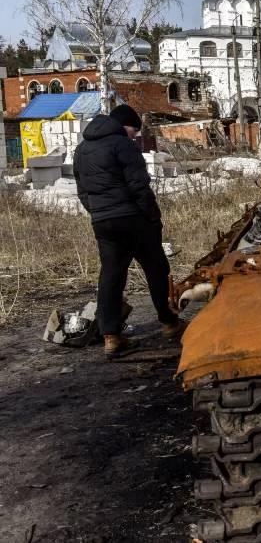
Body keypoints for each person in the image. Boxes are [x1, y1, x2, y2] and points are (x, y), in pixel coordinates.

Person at [73, 104, 181, 358]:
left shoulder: (81, 149)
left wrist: (98, 212)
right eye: (134, 130)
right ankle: (168, 322)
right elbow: (139, 187)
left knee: (111, 276)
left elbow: (82, 190)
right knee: (156, 267)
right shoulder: (123, 145)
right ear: (124, 125)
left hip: (102, 221)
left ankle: (111, 336)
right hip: (132, 218)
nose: (134, 135)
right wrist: (153, 217)